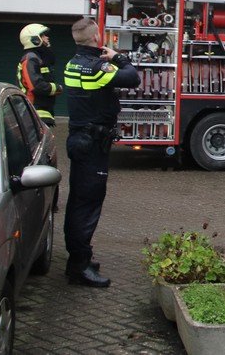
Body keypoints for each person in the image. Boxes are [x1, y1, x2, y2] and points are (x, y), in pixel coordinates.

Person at [62, 16, 139, 287]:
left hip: (81, 140)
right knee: (88, 204)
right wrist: (118, 57)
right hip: (92, 144)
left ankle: (80, 258)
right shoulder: (95, 68)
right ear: (96, 38)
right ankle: (79, 267)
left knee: (79, 201)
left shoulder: (74, 64)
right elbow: (132, 78)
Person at [17, 23, 61, 127]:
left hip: (40, 111)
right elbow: (36, 86)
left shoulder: (38, 58)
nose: (47, 37)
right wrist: (57, 88)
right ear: (35, 39)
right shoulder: (31, 58)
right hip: (33, 111)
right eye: (43, 35)